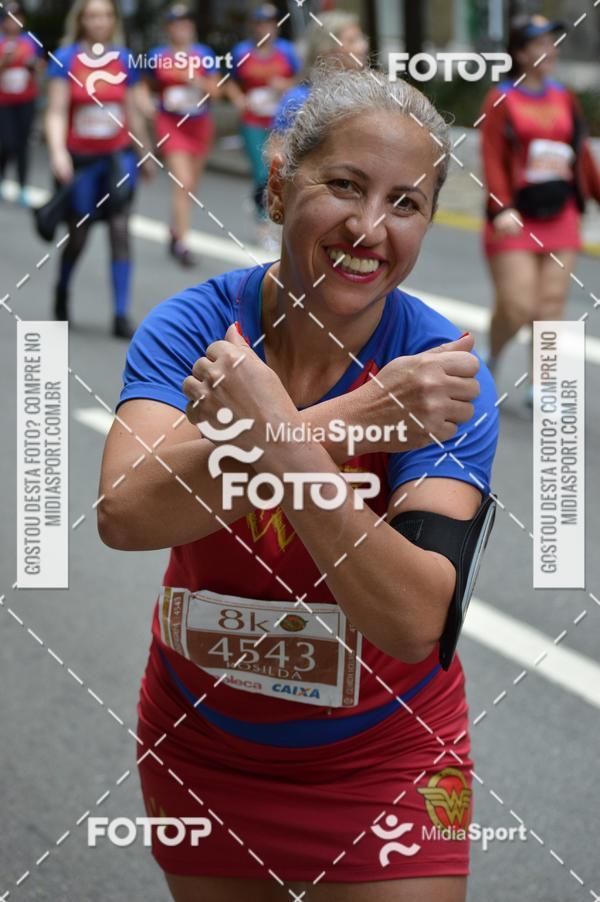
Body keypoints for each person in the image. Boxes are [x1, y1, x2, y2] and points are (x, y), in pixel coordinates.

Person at [98, 62, 498, 902]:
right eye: (345, 186)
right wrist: (351, 421)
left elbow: (412, 619)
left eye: (406, 203)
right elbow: (127, 514)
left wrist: (267, 428)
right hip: (202, 747)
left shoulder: (441, 376)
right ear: (279, 188)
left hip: (388, 759)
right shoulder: (196, 327)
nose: (370, 227)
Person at [480, 14, 600, 402]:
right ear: (519, 52)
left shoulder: (564, 96)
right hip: (515, 217)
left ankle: (542, 385)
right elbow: (493, 157)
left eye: (553, 42)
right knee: (517, 306)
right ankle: (493, 357)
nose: (550, 50)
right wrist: (502, 207)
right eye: (539, 43)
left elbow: (578, 151)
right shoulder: (501, 97)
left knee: (550, 305)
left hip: (561, 212)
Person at [45, 0, 153, 338]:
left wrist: (144, 151)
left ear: (113, 20)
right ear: (81, 21)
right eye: (93, 16)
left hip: (117, 157)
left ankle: (120, 314)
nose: (99, 21)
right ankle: (62, 290)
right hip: (80, 160)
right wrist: (58, 152)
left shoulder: (123, 59)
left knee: (120, 229)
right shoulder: (66, 59)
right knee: (79, 234)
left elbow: (131, 110)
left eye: (106, 15)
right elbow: (57, 111)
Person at [143, 3, 220, 267]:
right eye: (176, 24)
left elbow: (217, 91)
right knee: (183, 181)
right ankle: (183, 244)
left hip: (199, 124)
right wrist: (147, 106)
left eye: (187, 24)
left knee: (191, 185)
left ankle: (175, 229)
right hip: (170, 123)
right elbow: (144, 87)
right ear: (168, 29)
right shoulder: (157, 56)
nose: (182, 28)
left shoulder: (204, 55)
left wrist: (197, 81)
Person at [224, 3, 300, 229]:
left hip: (281, 122)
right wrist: (238, 99)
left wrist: (285, 85)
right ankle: (263, 215)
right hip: (252, 121)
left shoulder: (287, 51)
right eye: (260, 24)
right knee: (261, 170)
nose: (265, 29)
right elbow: (228, 82)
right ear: (253, 27)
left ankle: (271, 208)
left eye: (269, 24)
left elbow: (301, 81)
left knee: (279, 167)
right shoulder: (241, 52)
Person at [274, 10, 369, 132]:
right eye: (352, 41)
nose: (363, 46)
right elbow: (277, 147)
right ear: (326, 50)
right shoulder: (299, 100)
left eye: (361, 39)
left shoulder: (365, 90)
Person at [0, 1, 44, 206]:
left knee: (22, 145)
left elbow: (42, 66)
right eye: (10, 18)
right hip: (3, 102)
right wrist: (5, 62)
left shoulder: (30, 41)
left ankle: (23, 187)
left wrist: (33, 66)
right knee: (5, 143)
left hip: (26, 100)